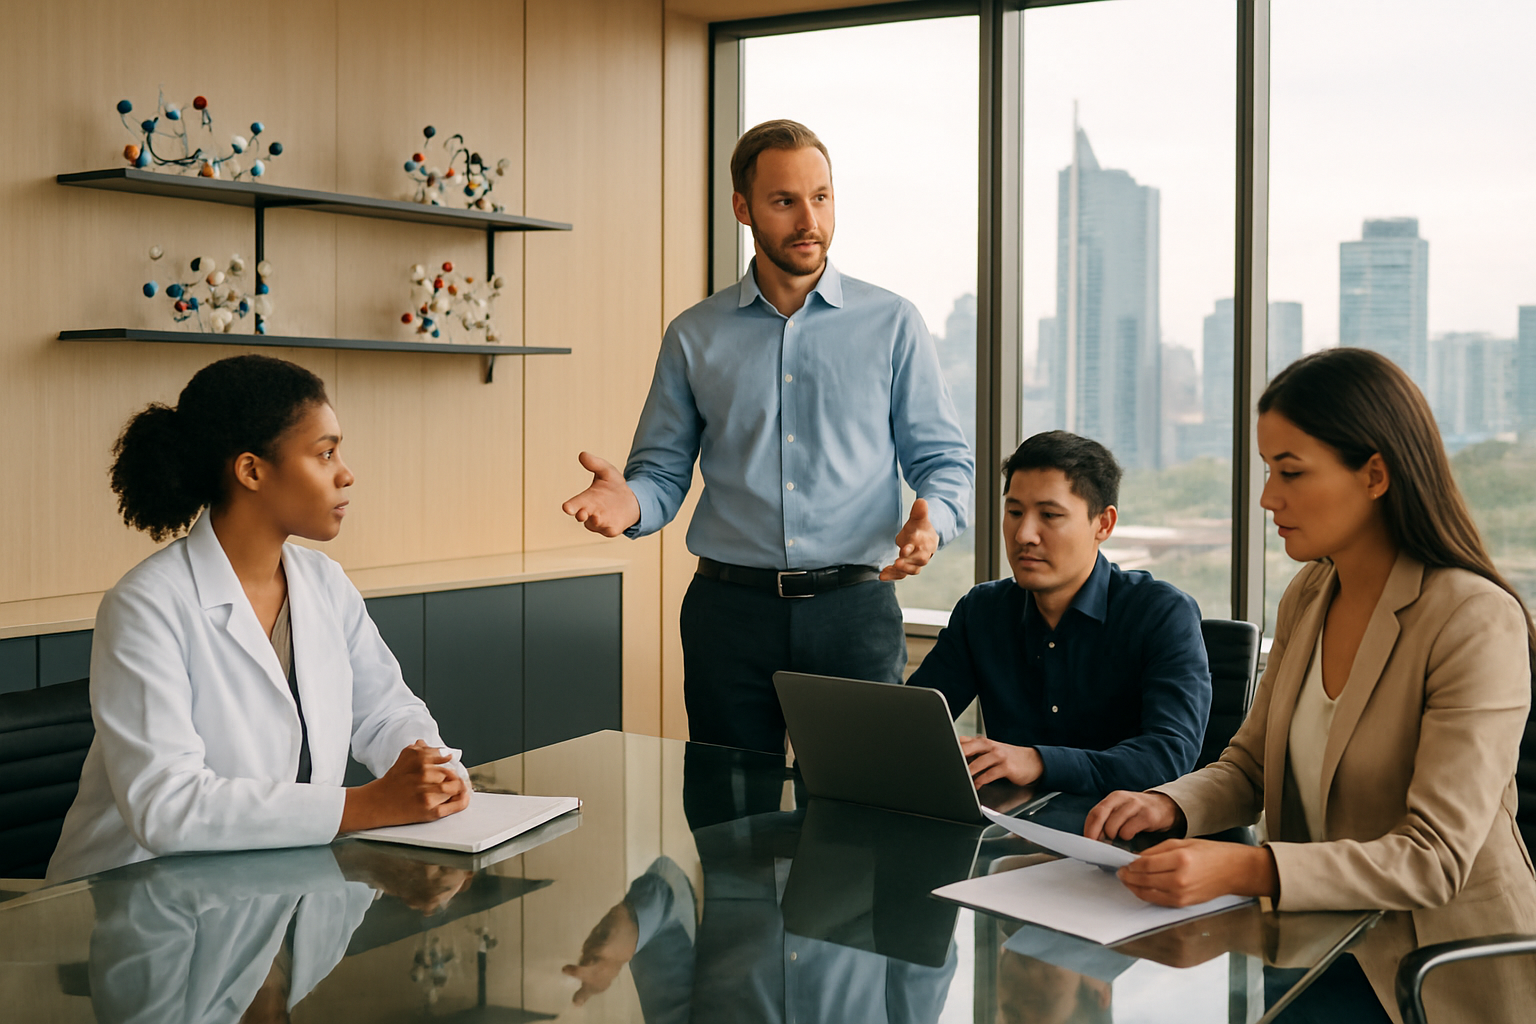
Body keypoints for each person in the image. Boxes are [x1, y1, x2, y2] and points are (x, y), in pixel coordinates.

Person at [1085, 348, 1536, 1023]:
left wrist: (1245, 868)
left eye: (1291, 472)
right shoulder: (1310, 593)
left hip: (1431, 973)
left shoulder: (1473, 619)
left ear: (1375, 473)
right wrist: (1167, 806)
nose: (1269, 497)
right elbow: (1250, 764)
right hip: (1315, 944)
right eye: (1269, 471)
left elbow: (1433, 861)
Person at [560, 119, 974, 753]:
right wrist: (633, 503)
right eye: (785, 201)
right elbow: (663, 474)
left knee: (859, 825)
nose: (809, 219)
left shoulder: (893, 323)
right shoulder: (694, 335)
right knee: (727, 819)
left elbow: (944, 461)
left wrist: (932, 520)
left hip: (853, 612)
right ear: (743, 208)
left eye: (822, 197)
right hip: (728, 616)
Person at [48, 355, 470, 883]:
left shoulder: (323, 583)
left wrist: (431, 771)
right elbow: (167, 806)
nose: (347, 473)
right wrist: (366, 806)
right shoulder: (146, 605)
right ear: (251, 470)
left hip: (275, 885)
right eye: (325, 453)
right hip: (143, 904)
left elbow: (384, 712)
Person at [909, 431, 1211, 798]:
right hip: (1007, 833)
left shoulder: (1161, 613)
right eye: (1014, 512)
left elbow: (1167, 756)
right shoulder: (981, 611)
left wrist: (1039, 761)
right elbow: (912, 726)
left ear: (1104, 524)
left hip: (1122, 835)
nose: (1024, 534)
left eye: (1049, 515)